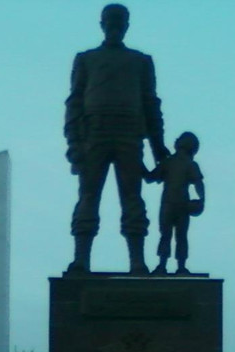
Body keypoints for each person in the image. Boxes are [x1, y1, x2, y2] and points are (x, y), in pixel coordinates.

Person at [65, 4, 168, 275]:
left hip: (129, 135)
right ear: (102, 24)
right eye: (110, 21)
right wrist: (74, 144)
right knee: (88, 197)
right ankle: (81, 260)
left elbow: (150, 103)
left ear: (126, 25)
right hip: (93, 134)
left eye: (119, 21)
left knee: (133, 199)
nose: (114, 26)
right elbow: (74, 103)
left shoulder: (141, 61)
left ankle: (137, 261)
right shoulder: (85, 59)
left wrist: (158, 149)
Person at [145, 131, 205, 275]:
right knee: (181, 236)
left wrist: (138, 164)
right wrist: (202, 200)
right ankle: (181, 266)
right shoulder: (188, 164)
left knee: (165, 234)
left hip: (169, 204)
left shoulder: (169, 162)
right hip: (182, 205)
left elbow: (150, 177)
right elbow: (199, 184)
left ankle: (162, 265)